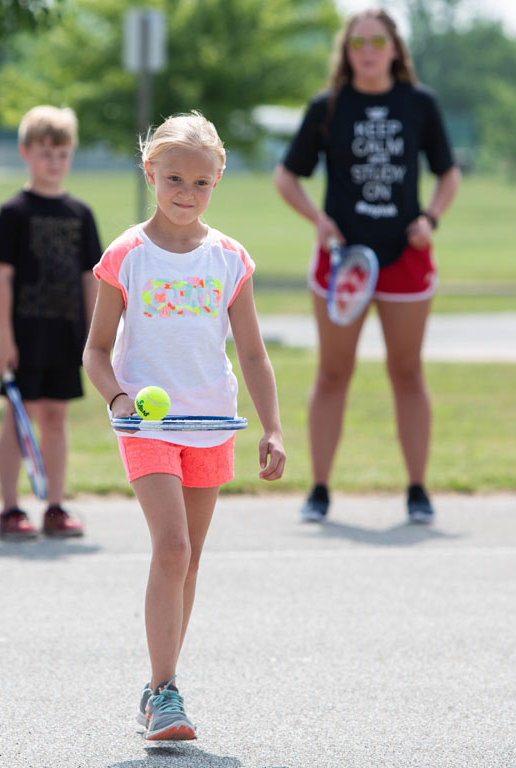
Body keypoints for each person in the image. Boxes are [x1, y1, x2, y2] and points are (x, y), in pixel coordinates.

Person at [83, 112, 285, 740]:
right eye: (174, 178)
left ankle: (157, 685)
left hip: (212, 423)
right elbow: (95, 350)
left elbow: (252, 354)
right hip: (148, 430)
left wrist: (272, 426)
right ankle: (165, 693)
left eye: (200, 183)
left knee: (189, 559)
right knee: (171, 547)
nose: (185, 193)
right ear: (151, 173)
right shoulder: (126, 255)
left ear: (217, 181)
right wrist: (117, 397)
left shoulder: (230, 259)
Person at [274, 8, 460, 525]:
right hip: (343, 261)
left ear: (396, 48)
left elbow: (448, 175)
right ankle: (319, 489)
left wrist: (432, 218)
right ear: (347, 51)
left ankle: (419, 490)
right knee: (333, 374)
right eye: (359, 43)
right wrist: (319, 220)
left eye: (379, 40)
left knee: (407, 372)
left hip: (406, 257)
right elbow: (286, 177)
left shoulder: (420, 103)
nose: (370, 50)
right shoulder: (328, 107)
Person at [0, 105, 101, 540]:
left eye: (63, 153)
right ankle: (10, 509)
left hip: (65, 333)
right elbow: (0, 275)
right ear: (26, 152)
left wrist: (95, 338)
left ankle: (54, 505)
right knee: (20, 416)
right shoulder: (14, 211)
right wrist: (3, 336)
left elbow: (92, 277)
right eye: (45, 152)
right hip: (24, 334)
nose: (54, 162)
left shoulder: (80, 213)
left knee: (56, 416)